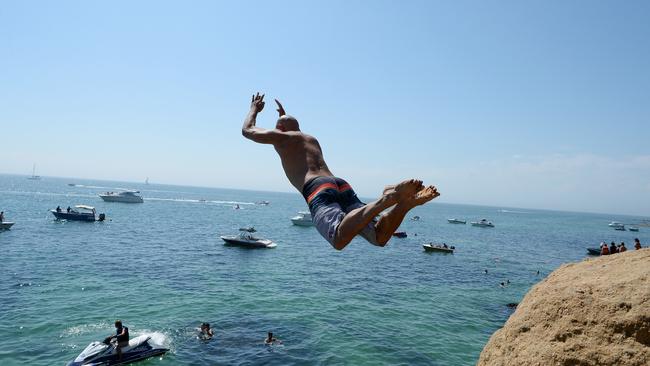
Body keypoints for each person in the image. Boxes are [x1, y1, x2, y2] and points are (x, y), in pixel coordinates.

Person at [242, 93, 440, 250]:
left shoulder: (282, 139)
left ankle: (384, 200)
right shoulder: (310, 139)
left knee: (338, 239)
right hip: (339, 184)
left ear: (279, 129)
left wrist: (254, 109)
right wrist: (283, 116)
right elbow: (290, 129)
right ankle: (404, 204)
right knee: (380, 237)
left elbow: (248, 130)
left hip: (317, 189)